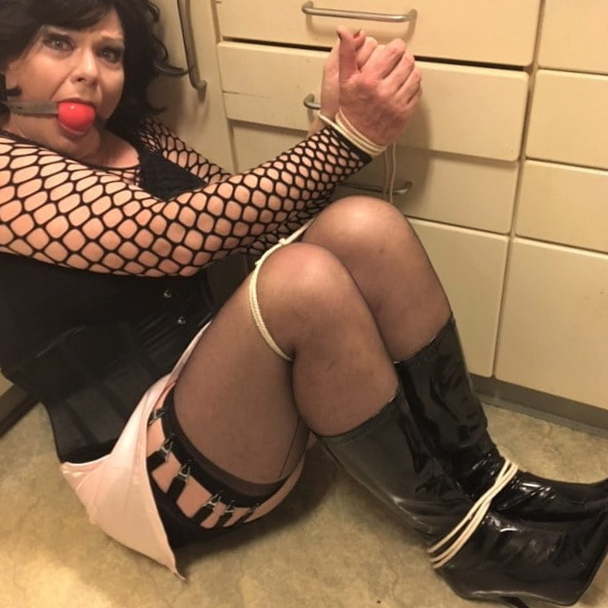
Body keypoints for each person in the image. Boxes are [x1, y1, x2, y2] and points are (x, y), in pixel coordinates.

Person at [0, 0, 607, 605]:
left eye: (109, 53)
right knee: (301, 282)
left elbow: (248, 226)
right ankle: (467, 543)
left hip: (224, 383)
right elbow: (169, 238)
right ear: (6, 60)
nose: (90, 72)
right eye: (59, 43)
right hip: (147, 468)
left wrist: (330, 128)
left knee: (363, 225)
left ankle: (492, 483)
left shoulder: (134, 134)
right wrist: (345, 142)